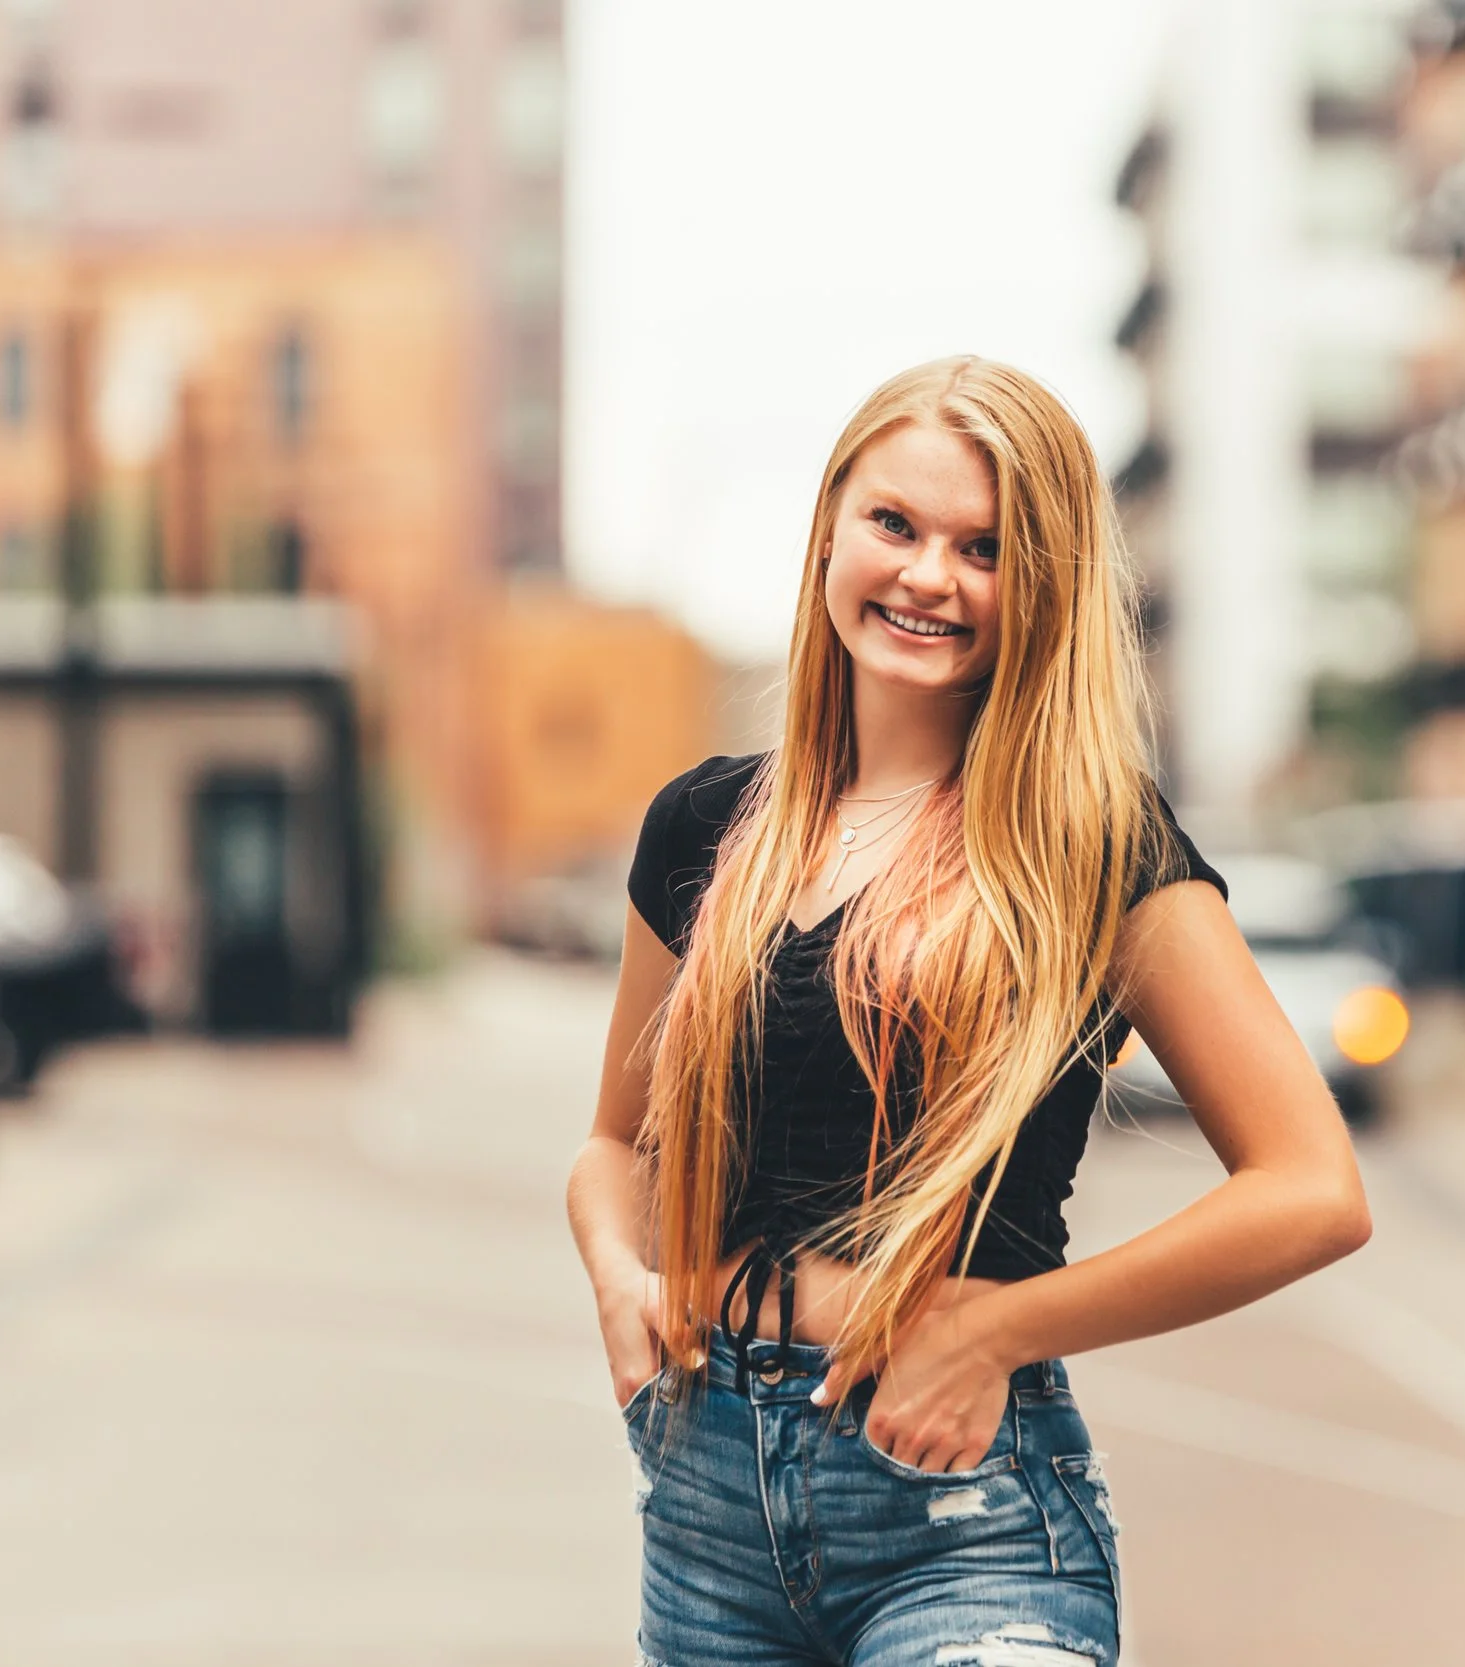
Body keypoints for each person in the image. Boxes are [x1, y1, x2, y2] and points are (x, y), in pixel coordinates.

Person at [566, 356, 1371, 1667]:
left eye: (982, 547)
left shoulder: (1089, 845)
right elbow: (616, 1147)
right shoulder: (704, 827)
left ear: (1038, 587)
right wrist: (618, 1279)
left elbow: (1313, 1184)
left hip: (965, 1513)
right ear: (832, 527)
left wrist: (999, 1325)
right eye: (896, 525)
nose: (929, 575)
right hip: (704, 1513)